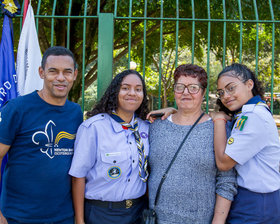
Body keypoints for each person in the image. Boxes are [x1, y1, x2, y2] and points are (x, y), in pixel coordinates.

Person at [0, 46, 83, 224]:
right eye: (53, 71)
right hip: (18, 217)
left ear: (75, 74)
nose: (61, 78)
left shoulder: (75, 112)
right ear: (41, 72)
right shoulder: (17, 108)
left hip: (63, 217)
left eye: (67, 72)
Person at [147, 64, 237, 224]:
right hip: (157, 219)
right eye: (180, 87)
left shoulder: (218, 128)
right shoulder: (156, 126)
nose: (186, 92)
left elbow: (226, 181)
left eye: (193, 88)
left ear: (203, 93)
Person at [69, 70, 150, 224]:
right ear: (115, 92)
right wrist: (79, 220)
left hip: (138, 212)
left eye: (138, 89)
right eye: (125, 88)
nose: (132, 93)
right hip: (103, 213)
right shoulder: (93, 128)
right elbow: (78, 176)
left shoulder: (146, 128)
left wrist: (170, 111)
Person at [211, 63, 280, 223]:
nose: (225, 96)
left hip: (257, 203)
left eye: (231, 88)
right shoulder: (249, 113)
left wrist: (219, 120)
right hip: (254, 200)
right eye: (221, 93)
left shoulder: (253, 116)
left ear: (249, 84)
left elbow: (224, 163)